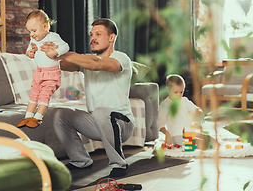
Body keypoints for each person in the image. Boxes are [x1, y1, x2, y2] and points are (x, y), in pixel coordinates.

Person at [41, 18, 134, 178]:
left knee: (100, 112)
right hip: (96, 122)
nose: (92, 38)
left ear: (112, 37)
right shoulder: (87, 61)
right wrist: (46, 54)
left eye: (98, 34)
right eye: (91, 34)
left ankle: (119, 164)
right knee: (60, 114)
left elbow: (97, 64)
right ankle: (80, 160)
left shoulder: (121, 58)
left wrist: (62, 52)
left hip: (122, 124)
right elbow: (63, 64)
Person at [17, 10, 69, 129]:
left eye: (34, 31)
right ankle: (28, 116)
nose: (31, 34)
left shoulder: (53, 37)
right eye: (29, 31)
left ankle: (38, 118)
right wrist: (29, 53)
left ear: (45, 26)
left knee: (44, 95)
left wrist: (55, 52)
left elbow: (65, 46)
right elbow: (29, 51)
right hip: (38, 73)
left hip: (51, 74)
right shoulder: (34, 40)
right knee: (34, 95)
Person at [157, 74, 210, 149]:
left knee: (209, 139)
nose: (179, 95)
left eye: (181, 92)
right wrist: (167, 134)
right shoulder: (165, 105)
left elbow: (195, 109)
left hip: (189, 133)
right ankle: (192, 146)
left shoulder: (184, 100)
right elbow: (159, 124)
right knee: (202, 143)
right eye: (176, 92)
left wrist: (200, 112)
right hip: (176, 136)